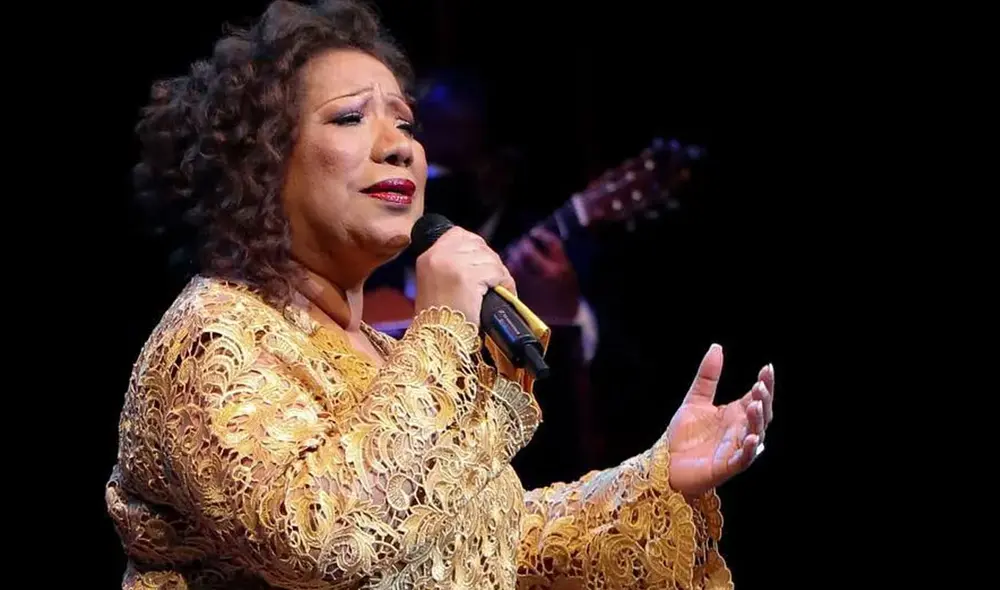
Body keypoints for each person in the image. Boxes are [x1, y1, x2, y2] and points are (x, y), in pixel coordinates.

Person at [105, 1, 776, 589]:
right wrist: (446, 328)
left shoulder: (384, 354)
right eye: (349, 118)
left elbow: (492, 546)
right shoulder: (213, 337)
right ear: (261, 162)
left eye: (405, 122)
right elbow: (326, 541)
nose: (398, 147)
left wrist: (655, 481)